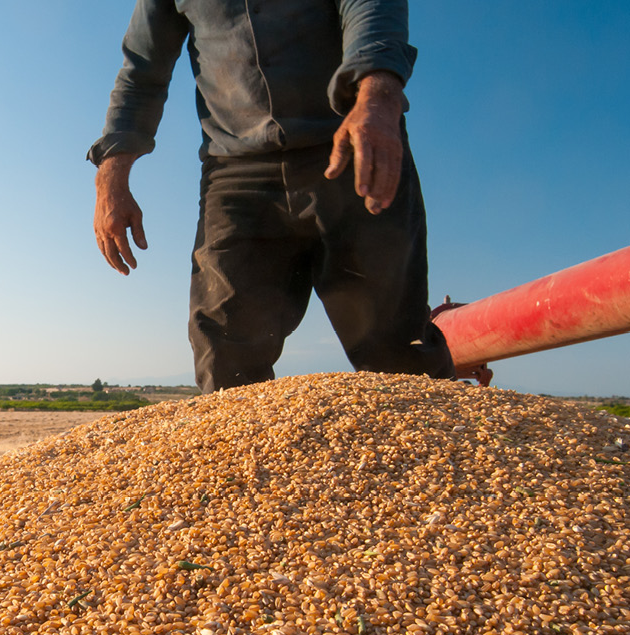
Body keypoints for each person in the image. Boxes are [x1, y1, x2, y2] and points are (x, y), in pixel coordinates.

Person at [90, 0, 455, 391]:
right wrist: (111, 176)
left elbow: (370, 6)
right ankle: (237, 454)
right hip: (237, 171)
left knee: (394, 348)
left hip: (348, 144)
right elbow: (143, 69)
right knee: (224, 357)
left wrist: (379, 97)